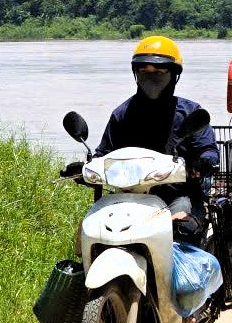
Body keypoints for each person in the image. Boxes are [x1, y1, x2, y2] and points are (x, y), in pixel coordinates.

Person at [93, 35, 220, 242]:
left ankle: (179, 272)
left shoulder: (189, 112)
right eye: (145, 72)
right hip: (129, 198)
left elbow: (208, 149)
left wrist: (203, 160)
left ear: (173, 75)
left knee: (180, 228)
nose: (151, 79)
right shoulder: (122, 114)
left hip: (177, 196)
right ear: (136, 74)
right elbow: (103, 153)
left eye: (159, 73)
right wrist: (85, 168)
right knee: (94, 230)